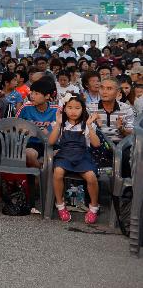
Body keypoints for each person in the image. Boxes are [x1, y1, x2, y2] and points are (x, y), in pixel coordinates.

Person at [49, 95, 102, 224]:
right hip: (64, 155)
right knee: (58, 172)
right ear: (64, 109)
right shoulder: (61, 124)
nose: (73, 111)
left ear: (83, 109)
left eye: (77, 108)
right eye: (70, 107)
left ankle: (94, 207)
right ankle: (60, 205)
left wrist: (90, 125)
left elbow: (96, 144)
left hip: (82, 156)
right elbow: (51, 142)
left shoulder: (87, 125)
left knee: (91, 177)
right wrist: (58, 124)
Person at [16, 77, 60, 169]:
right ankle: (41, 175)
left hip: (52, 143)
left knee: (60, 155)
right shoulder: (25, 108)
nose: (32, 96)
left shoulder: (57, 110)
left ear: (47, 96)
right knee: (29, 154)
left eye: (36, 93)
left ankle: (44, 176)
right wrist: (23, 130)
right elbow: (15, 125)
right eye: (31, 93)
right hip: (32, 143)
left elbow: (63, 130)